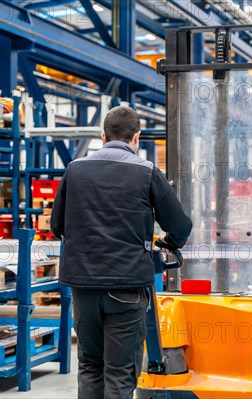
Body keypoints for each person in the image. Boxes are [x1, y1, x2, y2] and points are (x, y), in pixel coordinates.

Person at [50, 106, 192, 399]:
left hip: (84, 286)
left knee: (89, 366)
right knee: (119, 372)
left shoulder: (75, 169)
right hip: (127, 287)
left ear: (103, 136)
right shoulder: (148, 171)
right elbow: (180, 225)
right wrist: (168, 242)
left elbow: (56, 226)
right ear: (136, 137)